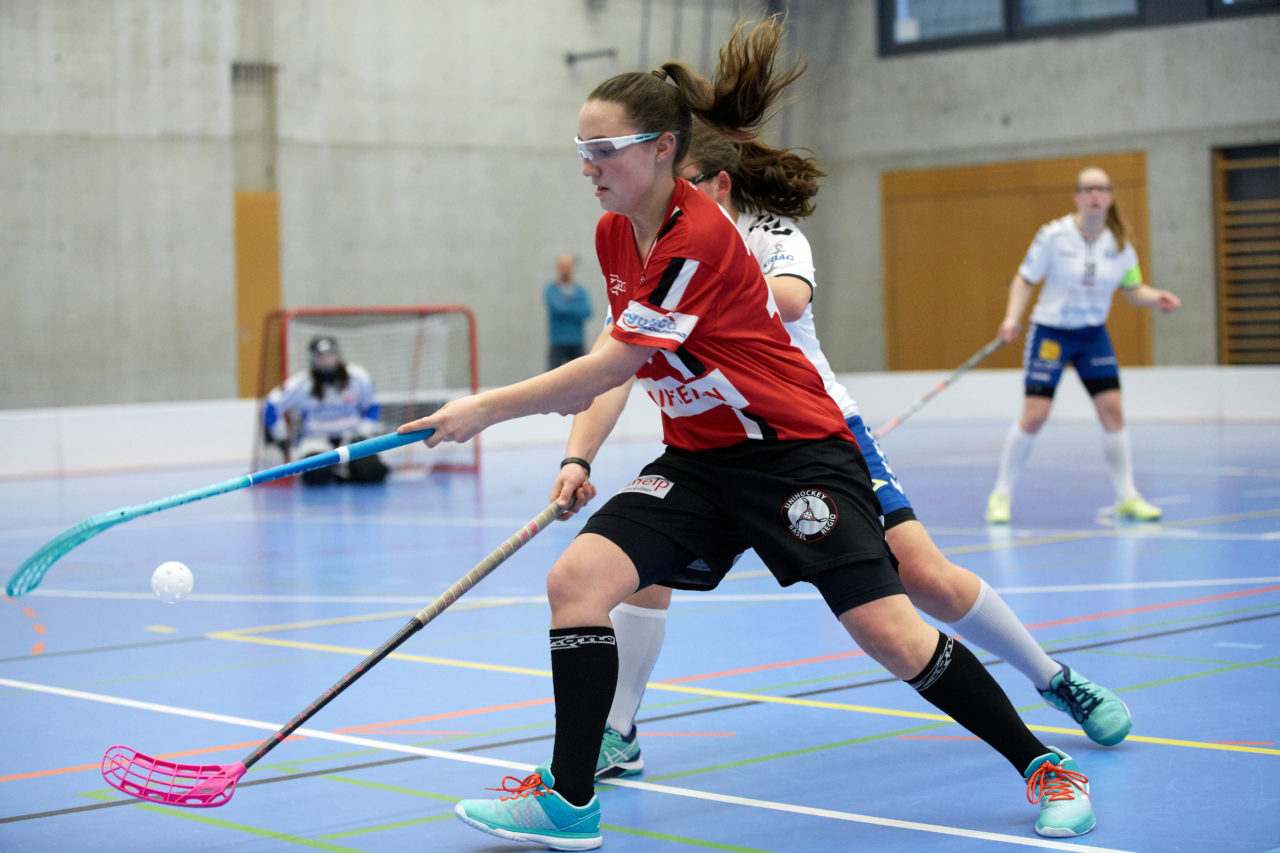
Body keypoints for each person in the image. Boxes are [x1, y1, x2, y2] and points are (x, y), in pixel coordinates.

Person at [401, 19, 1095, 848]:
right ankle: (572, 796)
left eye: (607, 149)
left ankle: (1046, 764)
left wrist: (482, 409)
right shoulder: (616, 230)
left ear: (663, 148)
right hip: (701, 461)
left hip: (794, 453)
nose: (589, 167)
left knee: (890, 629)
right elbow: (612, 364)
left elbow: (605, 363)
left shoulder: (697, 238)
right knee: (578, 580)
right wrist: (578, 453)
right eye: (579, 149)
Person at [584, 120, 1132, 793]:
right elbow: (612, 358)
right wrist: (577, 455)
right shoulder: (641, 244)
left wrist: (698, 275)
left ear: (717, 184)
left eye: (688, 183)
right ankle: (620, 730)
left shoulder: (764, 235)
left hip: (815, 436)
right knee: (644, 567)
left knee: (925, 577)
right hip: (717, 447)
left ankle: (1053, 678)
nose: (674, 197)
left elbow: (786, 297)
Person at [985, 167, 1181, 524]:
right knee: (1035, 416)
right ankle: (1001, 495)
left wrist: (1156, 298)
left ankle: (1127, 497)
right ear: (1077, 196)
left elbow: (1133, 289)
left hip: (1092, 335)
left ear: (1109, 197)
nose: (1095, 195)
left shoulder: (1120, 244)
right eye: (1088, 189)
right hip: (1052, 334)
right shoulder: (1054, 236)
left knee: (1113, 412)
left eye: (1102, 189)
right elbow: (1024, 278)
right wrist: (1012, 318)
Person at [263, 335, 389, 485]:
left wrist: (364, 430)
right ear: (313, 359)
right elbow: (272, 405)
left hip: (352, 438)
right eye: (321, 357)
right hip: (316, 440)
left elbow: (372, 405)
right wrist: (282, 436)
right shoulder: (301, 383)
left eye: (330, 356)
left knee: (372, 471)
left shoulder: (357, 376)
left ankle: (348, 469)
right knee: (316, 475)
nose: (326, 361)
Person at [544, 253, 594, 369]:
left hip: (576, 341)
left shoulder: (581, 291)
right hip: (558, 341)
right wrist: (574, 305)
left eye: (568, 266)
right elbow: (556, 309)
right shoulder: (551, 289)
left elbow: (586, 312)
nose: (565, 270)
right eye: (562, 266)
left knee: (582, 375)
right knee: (552, 378)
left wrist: (565, 305)